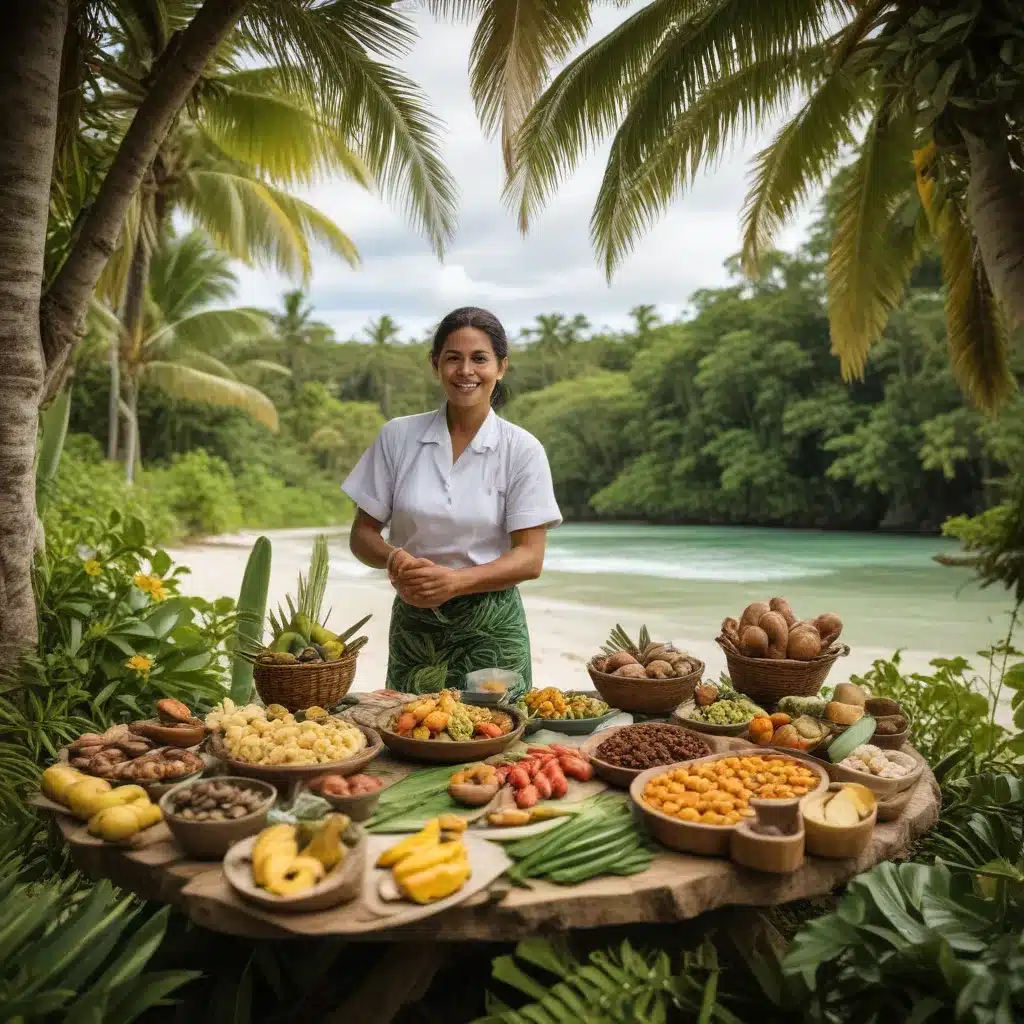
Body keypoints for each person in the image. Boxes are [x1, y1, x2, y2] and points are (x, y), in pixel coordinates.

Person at [342, 306, 561, 701]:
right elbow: (362, 535)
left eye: (480, 358)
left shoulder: (522, 449)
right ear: (435, 364)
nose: (466, 371)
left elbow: (530, 558)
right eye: (453, 358)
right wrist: (397, 560)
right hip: (416, 625)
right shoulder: (398, 437)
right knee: (412, 735)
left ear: (501, 366)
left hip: (493, 626)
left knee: (500, 744)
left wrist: (455, 582)